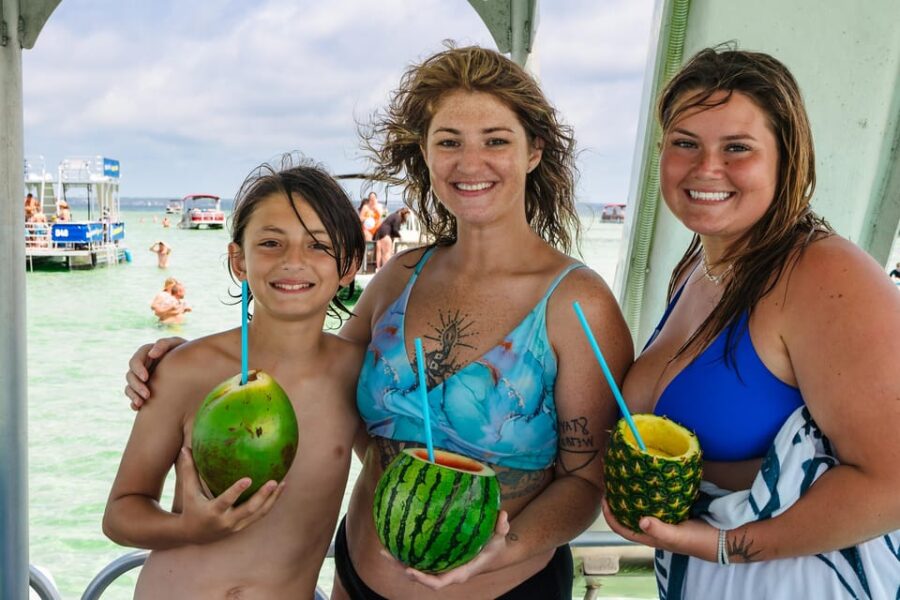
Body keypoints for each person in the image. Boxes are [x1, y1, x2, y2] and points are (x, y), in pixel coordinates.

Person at [123, 45, 632, 599]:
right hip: (356, 578)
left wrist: (501, 551)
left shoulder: (577, 304)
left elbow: (587, 481)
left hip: (504, 588)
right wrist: (181, 358)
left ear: (533, 151)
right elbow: (307, 373)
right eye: (448, 142)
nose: (470, 162)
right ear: (426, 154)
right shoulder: (399, 276)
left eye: (496, 140)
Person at [602, 47, 900, 598]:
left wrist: (721, 546)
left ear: (788, 160)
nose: (705, 168)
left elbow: (893, 484)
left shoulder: (824, 274)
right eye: (684, 143)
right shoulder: (699, 265)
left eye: (737, 148)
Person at [103, 158, 367, 598]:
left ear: (349, 264)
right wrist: (188, 527)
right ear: (238, 260)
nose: (293, 261)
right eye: (270, 243)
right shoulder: (187, 369)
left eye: (318, 245)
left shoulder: (358, 375)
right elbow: (120, 514)